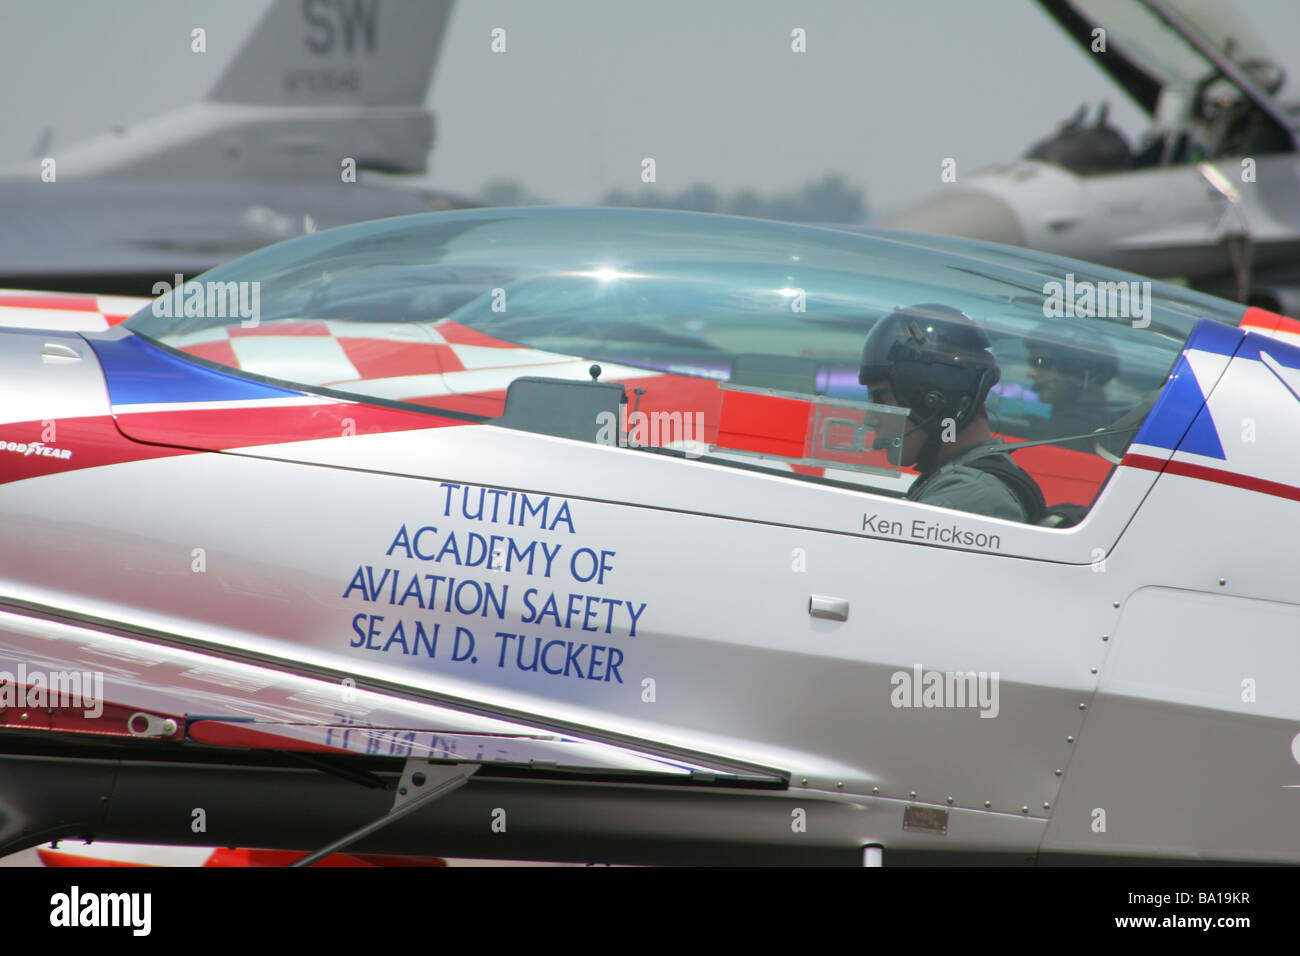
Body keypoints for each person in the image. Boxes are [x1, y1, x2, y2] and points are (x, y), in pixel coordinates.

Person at [859, 303, 1045, 523]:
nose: (869, 420)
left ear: (935, 402)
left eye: (882, 398)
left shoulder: (969, 498)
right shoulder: (953, 481)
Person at [1023, 321, 1121, 453]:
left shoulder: (1073, 431)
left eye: (1042, 363)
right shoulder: (1112, 424)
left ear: (1080, 371)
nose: (1031, 373)